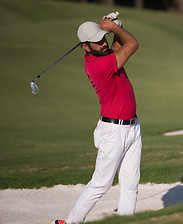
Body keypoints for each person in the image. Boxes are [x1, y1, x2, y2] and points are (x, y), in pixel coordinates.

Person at [52, 12, 142, 224]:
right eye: (96, 41)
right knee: (101, 183)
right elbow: (132, 44)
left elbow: (119, 45)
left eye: (102, 38)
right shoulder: (98, 66)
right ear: (85, 46)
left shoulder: (104, 55)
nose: (102, 43)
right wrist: (112, 28)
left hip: (132, 127)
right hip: (113, 132)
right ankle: (70, 223)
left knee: (131, 183)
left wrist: (114, 26)